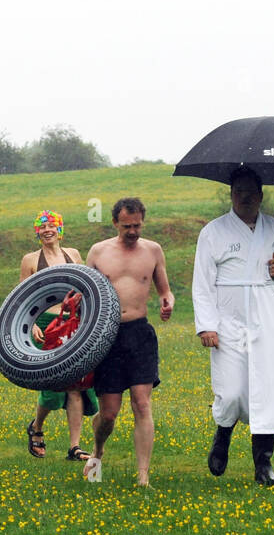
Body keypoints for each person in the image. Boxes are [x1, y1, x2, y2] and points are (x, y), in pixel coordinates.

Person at [193, 166, 274, 486]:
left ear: (261, 196)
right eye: (238, 192)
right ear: (231, 194)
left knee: (268, 388)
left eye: (251, 193)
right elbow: (202, 283)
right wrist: (207, 325)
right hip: (228, 321)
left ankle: (264, 465)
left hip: (268, 318)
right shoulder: (213, 233)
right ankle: (223, 434)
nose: (244, 198)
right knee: (231, 391)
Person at [84, 198, 175, 486]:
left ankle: (143, 476)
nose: (133, 231)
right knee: (109, 414)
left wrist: (166, 302)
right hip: (107, 336)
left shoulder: (153, 250)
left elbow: (165, 291)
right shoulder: (99, 252)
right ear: (115, 223)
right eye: (127, 226)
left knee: (142, 404)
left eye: (137, 225)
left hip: (140, 334)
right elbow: (85, 294)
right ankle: (97, 451)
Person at [18, 209, 98, 461]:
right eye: (42, 227)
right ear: (37, 232)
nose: (47, 230)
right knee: (53, 385)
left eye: (52, 225)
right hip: (45, 323)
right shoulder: (30, 260)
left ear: (60, 230)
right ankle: (37, 426)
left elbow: (86, 287)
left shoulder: (73, 254)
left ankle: (74, 447)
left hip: (73, 321)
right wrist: (30, 324)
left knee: (76, 385)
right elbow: (20, 298)